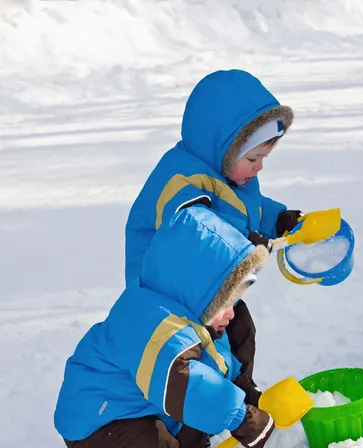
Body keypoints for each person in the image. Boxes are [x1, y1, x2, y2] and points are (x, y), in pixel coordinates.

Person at [54, 206, 275, 448]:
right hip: (97, 422)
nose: (232, 312)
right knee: (146, 441)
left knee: (187, 419)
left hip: (141, 403)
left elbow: (217, 369)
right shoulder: (150, 321)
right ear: (197, 291)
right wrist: (242, 417)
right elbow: (187, 385)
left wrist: (245, 393)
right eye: (227, 302)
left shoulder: (187, 314)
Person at [125, 69, 302, 407]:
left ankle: (238, 394)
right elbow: (192, 232)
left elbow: (247, 210)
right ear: (222, 147)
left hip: (204, 289)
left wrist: (277, 219)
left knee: (238, 331)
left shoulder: (233, 177)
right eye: (253, 158)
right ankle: (189, 421)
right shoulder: (181, 181)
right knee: (192, 354)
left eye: (264, 158)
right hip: (169, 294)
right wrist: (243, 240)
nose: (259, 168)